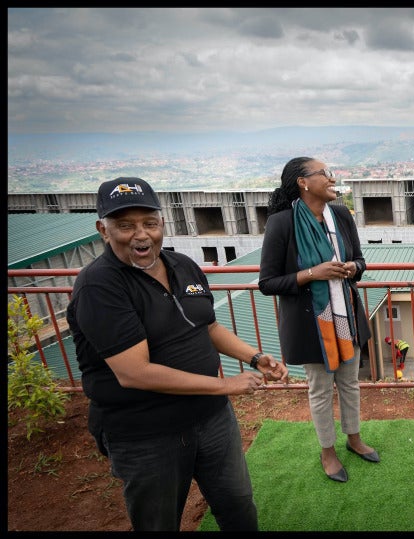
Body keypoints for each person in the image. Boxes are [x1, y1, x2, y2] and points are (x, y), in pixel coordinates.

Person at [66, 177, 289, 531]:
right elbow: (134, 372)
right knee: (158, 523)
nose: (140, 235)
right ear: (103, 230)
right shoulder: (99, 286)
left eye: (149, 223)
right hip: (146, 433)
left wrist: (254, 357)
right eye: (125, 226)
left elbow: (208, 326)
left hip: (212, 420)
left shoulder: (183, 265)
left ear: (162, 224)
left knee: (237, 505)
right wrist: (224, 386)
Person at [258, 157, 379, 483]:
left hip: (346, 318)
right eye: (324, 173)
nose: (331, 177)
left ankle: (354, 439)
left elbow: (360, 260)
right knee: (321, 390)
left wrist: (353, 268)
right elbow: (267, 283)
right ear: (303, 182)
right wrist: (314, 274)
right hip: (312, 324)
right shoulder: (282, 223)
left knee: (350, 384)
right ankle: (328, 451)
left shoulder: (340, 215)